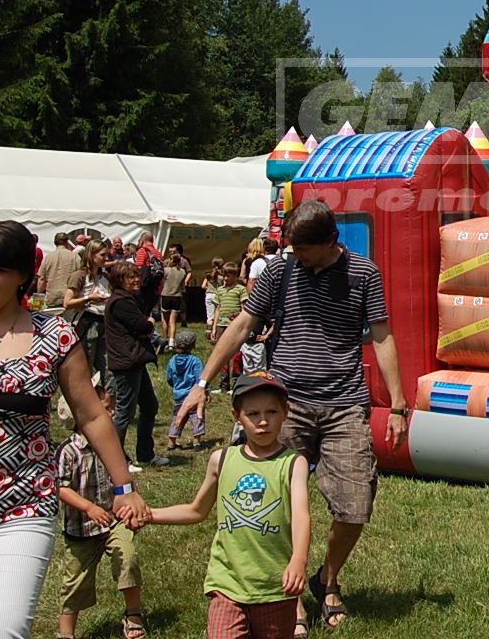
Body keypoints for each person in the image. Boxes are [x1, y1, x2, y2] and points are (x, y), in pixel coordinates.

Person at [175, 199, 409, 632]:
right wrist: (202, 383)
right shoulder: (279, 272)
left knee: (356, 505)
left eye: (302, 250)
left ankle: (328, 579)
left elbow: (382, 335)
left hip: (344, 404)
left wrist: (397, 405)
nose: (294, 256)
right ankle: (291, 599)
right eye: (291, 248)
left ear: (330, 242)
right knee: (273, 504)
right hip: (285, 404)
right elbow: (243, 324)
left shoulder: (363, 274)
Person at [0, 221, 148, 638]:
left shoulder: (53, 336)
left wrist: (125, 485)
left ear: (22, 276)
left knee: (2, 630)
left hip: (20, 509)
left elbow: (91, 415)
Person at [149, 374, 310, 639]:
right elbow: (196, 510)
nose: (262, 421)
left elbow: (302, 516)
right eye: (253, 413)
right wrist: (150, 515)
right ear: (237, 416)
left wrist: (298, 560)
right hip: (226, 582)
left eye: (271, 412)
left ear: (285, 412)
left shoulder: (293, 463)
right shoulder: (221, 460)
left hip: (275, 585)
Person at [56, 378, 147, 639]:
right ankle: (66, 632)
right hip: (81, 530)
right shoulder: (69, 451)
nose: (112, 414)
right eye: (105, 409)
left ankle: (133, 614)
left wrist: (134, 501)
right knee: (75, 582)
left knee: (127, 559)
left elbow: (126, 478)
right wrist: (88, 508)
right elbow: (60, 487)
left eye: (110, 408)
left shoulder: (111, 445)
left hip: (113, 522)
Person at [103, 261, 169, 471]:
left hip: (134, 360)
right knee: (124, 413)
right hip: (126, 361)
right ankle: (116, 460)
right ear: (119, 281)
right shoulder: (121, 302)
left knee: (150, 406)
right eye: (130, 277)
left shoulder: (129, 299)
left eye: (136, 276)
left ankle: (145, 454)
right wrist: (149, 323)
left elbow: (143, 324)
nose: (136, 280)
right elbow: (142, 325)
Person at [65, 240, 113, 371]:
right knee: (86, 363)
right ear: (92, 255)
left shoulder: (105, 277)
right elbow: (67, 302)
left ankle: (107, 391)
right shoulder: (80, 276)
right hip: (86, 323)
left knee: (107, 365)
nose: (106, 258)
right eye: (103, 255)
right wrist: (89, 298)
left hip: (103, 323)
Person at [210, 265, 248, 393]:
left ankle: (235, 383)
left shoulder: (240, 290)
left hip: (234, 325)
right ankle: (223, 384)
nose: (225, 278)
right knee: (222, 355)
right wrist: (214, 328)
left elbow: (244, 308)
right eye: (224, 275)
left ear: (235, 276)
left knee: (236, 356)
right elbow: (218, 309)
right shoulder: (220, 290)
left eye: (228, 276)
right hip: (222, 324)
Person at [166, 331, 206, 449]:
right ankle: (197, 440)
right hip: (193, 395)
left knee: (178, 417)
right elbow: (201, 378)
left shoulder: (172, 360)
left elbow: (169, 377)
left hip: (178, 395)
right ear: (193, 345)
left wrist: (175, 386)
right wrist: (205, 391)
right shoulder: (195, 361)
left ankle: (171, 441)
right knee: (197, 416)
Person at [38, 232, 84, 311]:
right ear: (67, 242)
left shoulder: (48, 258)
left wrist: (39, 294)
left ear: (55, 242)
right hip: (69, 298)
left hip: (52, 298)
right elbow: (81, 275)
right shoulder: (75, 257)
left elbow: (41, 280)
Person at [160, 252, 189, 346]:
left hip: (166, 296)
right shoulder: (183, 272)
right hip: (177, 296)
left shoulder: (166, 270)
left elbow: (161, 282)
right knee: (173, 321)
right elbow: (183, 285)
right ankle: (172, 342)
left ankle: (165, 341)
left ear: (171, 260)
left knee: (165, 320)